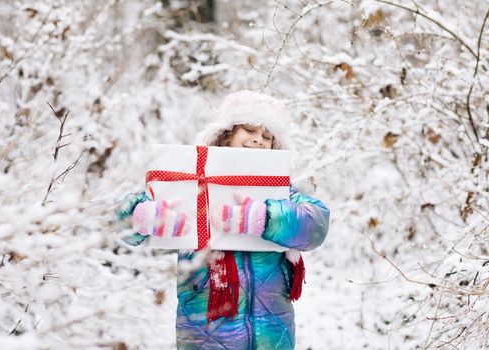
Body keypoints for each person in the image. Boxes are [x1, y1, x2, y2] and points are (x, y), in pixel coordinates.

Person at [115, 90, 330, 349]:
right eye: (249, 130)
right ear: (226, 135)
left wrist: (265, 218)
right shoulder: (192, 182)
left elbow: (316, 224)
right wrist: (142, 216)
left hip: (272, 336)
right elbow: (121, 223)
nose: (258, 140)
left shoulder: (281, 192)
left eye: (267, 136)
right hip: (206, 336)